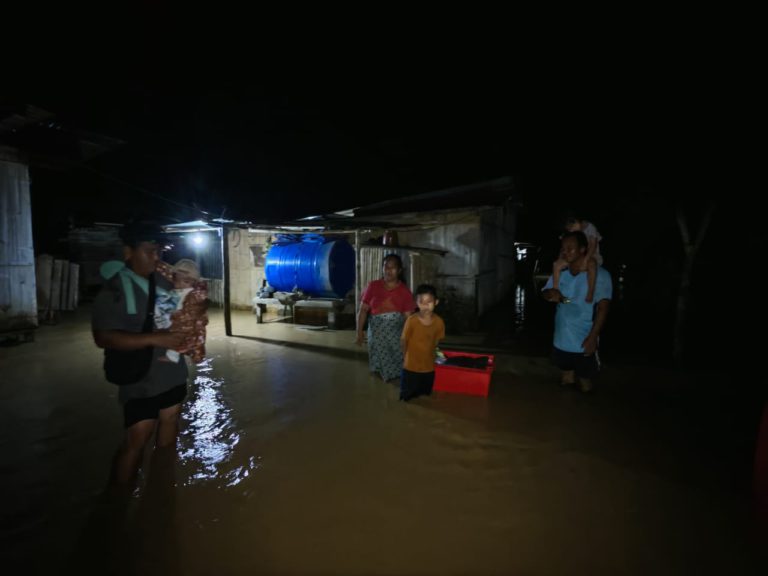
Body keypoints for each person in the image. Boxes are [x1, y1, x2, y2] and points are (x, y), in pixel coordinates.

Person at [92, 221, 197, 487]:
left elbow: (185, 308)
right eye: (149, 251)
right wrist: (155, 338)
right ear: (128, 252)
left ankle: (161, 488)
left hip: (171, 372)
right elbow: (103, 337)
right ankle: (117, 499)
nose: (156, 257)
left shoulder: (165, 280)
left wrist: (191, 329)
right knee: (138, 436)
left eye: (158, 251)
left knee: (170, 422)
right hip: (139, 377)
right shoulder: (114, 289)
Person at [542, 231, 612, 393]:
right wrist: (551, 295)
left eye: (570, 248)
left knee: (585, 383)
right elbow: (550, 294)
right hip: (561, 340)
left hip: (584, 341)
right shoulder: (561, 271)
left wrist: (593, 337)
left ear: (582, 249)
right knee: (566, 379)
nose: (565, 252)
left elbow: (603, 308)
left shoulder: (600, 274)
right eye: (563, 248)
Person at [355, 253, 414, 382]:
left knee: (398, 364)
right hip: (376, 333)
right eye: (386, 266)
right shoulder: (373, 286)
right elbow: (363, 310)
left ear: (399, 270)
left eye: (393, 267)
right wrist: (359, 331)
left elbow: (409, 319)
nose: (388, 270)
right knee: (378, 368)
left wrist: (409, 339)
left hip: (395, 335)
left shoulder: (405, 292)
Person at [155, 258, 208, 364]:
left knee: (181, 337)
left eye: (185, 281)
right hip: (172, 319)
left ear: (194, 282)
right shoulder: (182, 286)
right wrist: (157, 264)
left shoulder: (194, 294)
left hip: (184, 323)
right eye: (176, 280)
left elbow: (197, 323)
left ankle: (174, 356)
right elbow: (169, 272)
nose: (179, 284)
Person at [399, 284, 446, 401]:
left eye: (429, 302)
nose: (425, 306)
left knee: (425, 394)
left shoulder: (439, 322)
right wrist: (404, 357)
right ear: (416, 303)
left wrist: (437, 356)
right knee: (407, 396)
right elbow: (404, 340)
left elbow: (436, 342)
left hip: (428, 366)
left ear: (436, 302)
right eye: (421, 302)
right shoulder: (412, 320)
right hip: (411, 366)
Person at [552, 216, 603, 303]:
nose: (571, 230)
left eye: (572, 227)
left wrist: (585, 260)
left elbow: (593, 246)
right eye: (569, 229)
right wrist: (560, 259)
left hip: (591, 255)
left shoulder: (590, 228)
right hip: (573, 257)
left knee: (592, 264)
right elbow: (563, 248)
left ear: (577, 221)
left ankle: (590, 293)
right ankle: (556, 290)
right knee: (556, 264)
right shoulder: (570, 233)